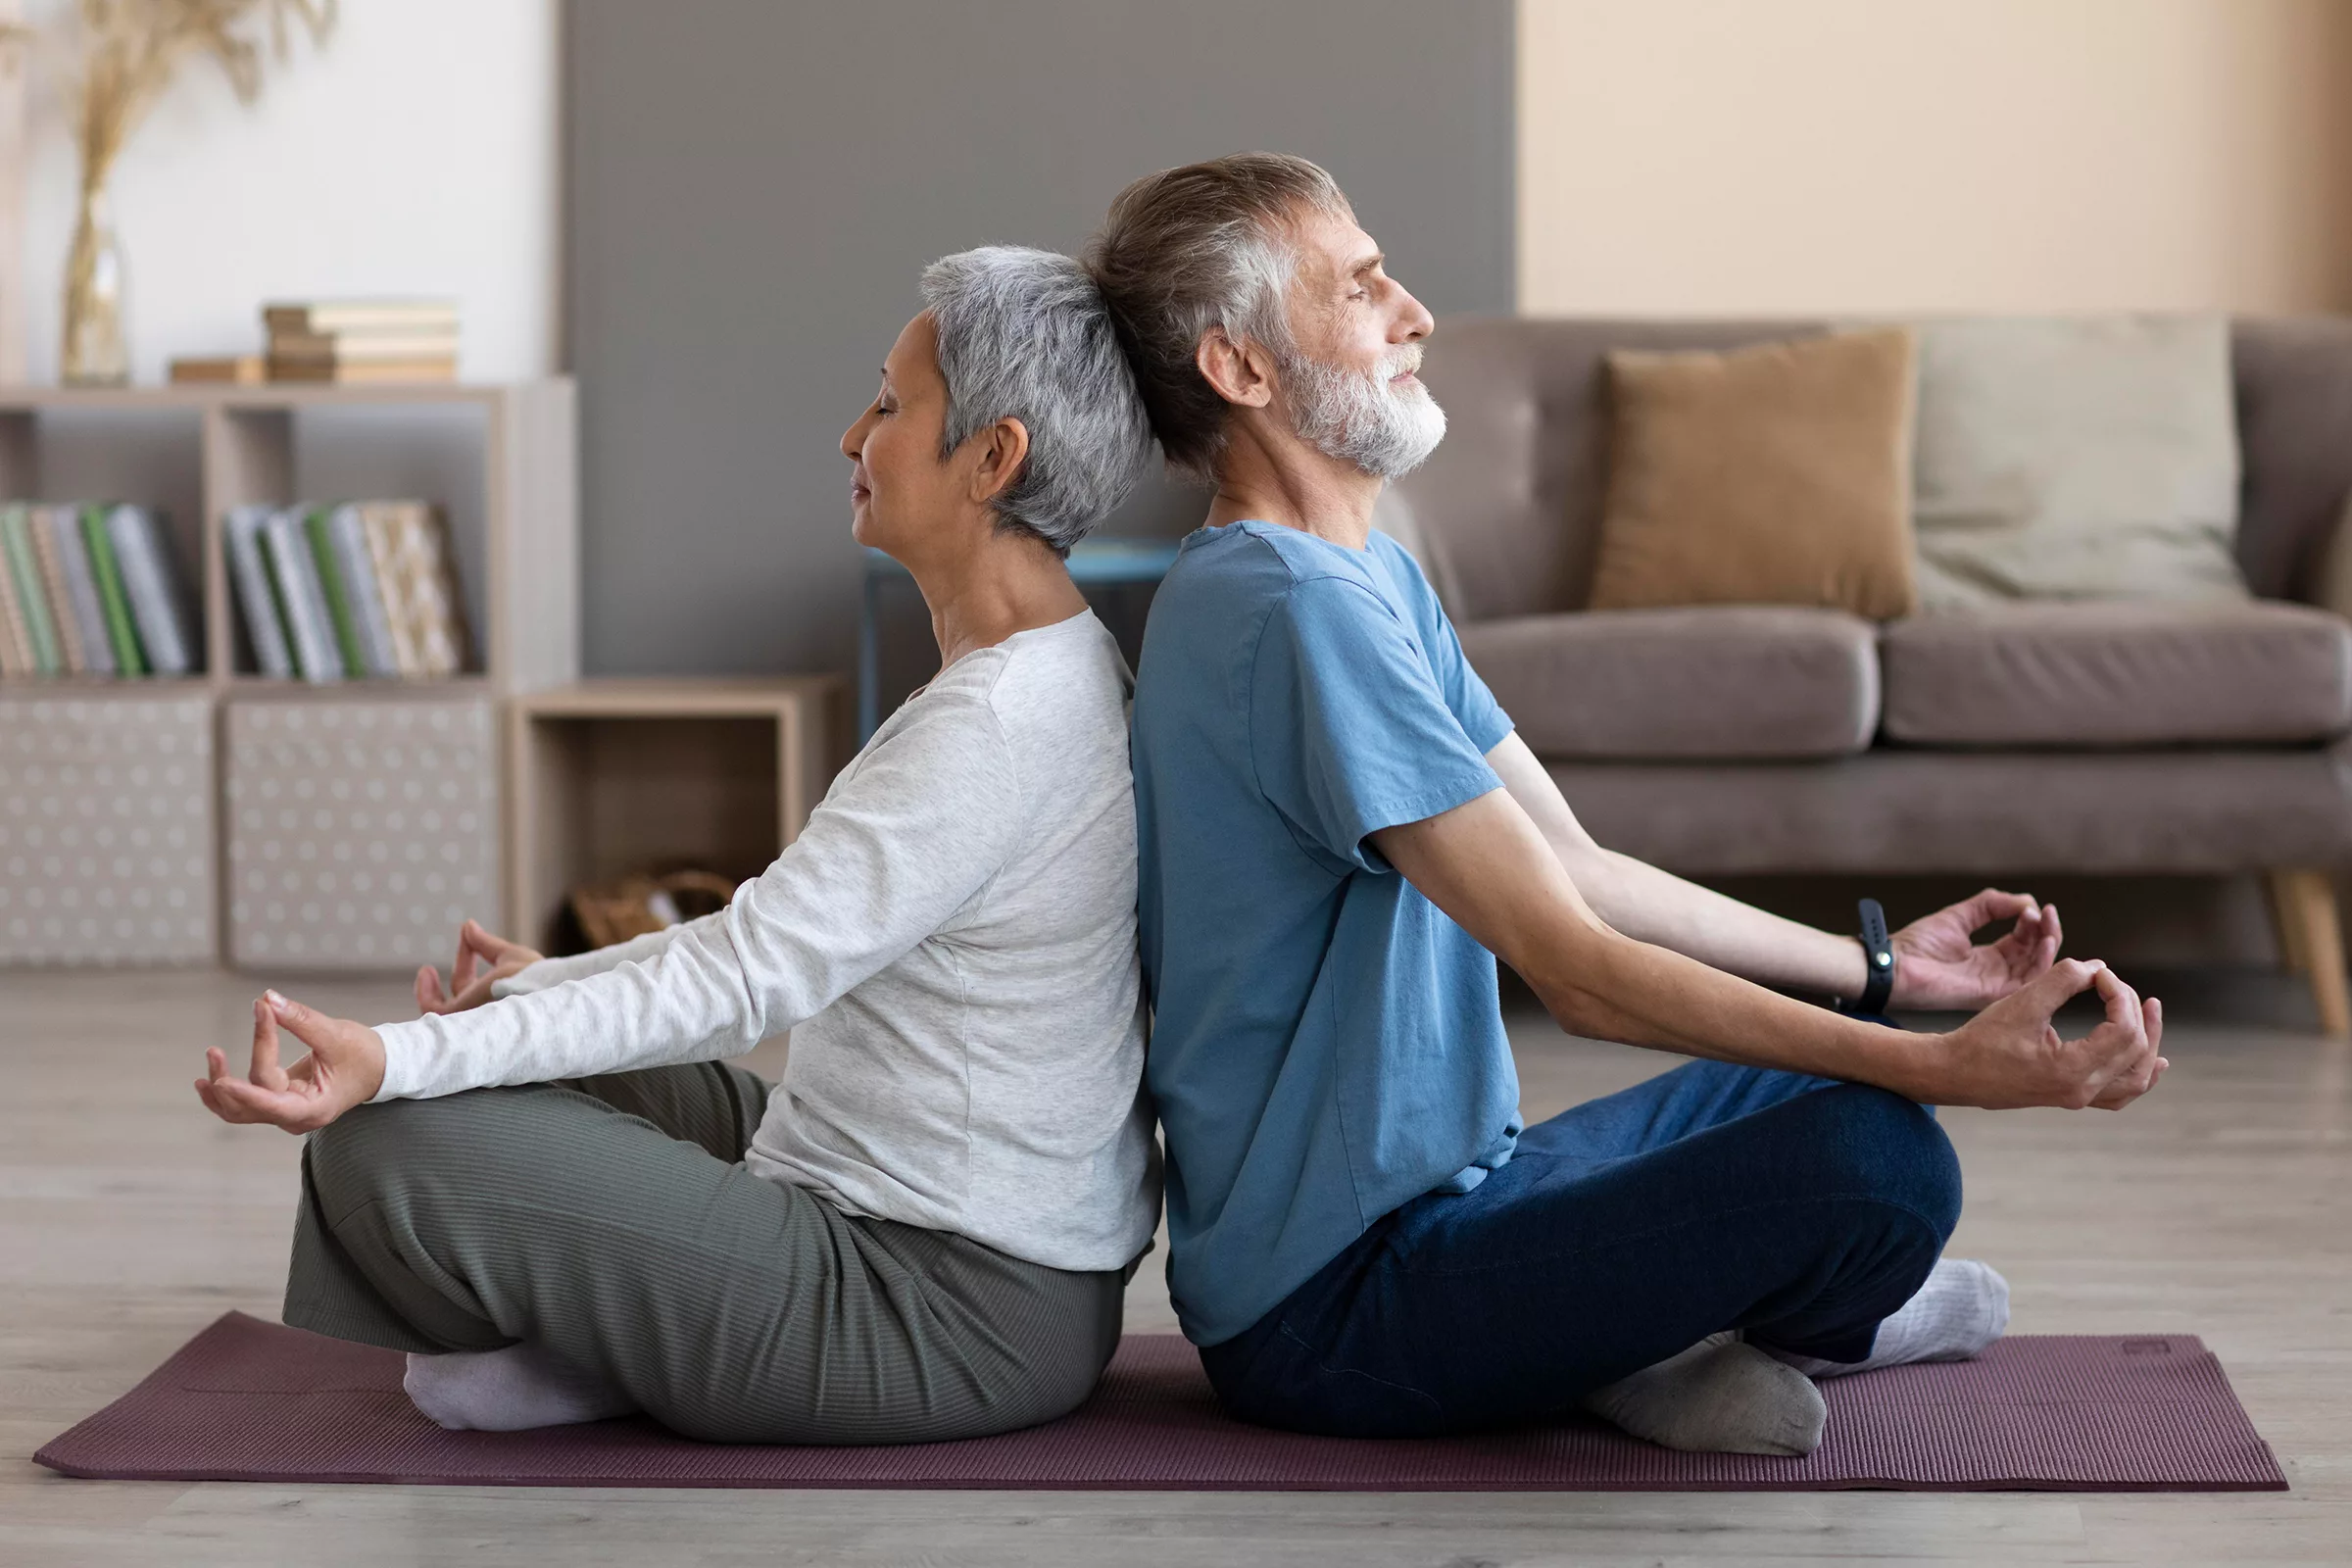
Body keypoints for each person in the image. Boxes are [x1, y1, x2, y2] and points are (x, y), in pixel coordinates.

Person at [1088, 154, 2166, 1454]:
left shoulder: (1356, 571)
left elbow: (1577, 869)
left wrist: (1884, 974)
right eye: (1363, 289)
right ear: (1242, 371)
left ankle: (1612, 1343)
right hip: (1337, 1308)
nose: (1414, 312)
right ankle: (1645, 1337)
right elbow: (1579, 974)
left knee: (1845, 1104)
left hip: (1466, 1192)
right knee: (1886, 1166)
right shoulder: (1293, 609)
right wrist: (1947, 1066)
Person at [192, 246, 1164, 1445]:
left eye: (892, 406)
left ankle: (611, 1346)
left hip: (938, 1302)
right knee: (499, 1049)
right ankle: (628, 1332)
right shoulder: (1057, 668)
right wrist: (539, 987)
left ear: (993, 458)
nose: (852, 434)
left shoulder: (994, 731)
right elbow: (757, 942)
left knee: (389, 1136)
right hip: (912, 1210)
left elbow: (736, 977)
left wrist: (384, 1060)